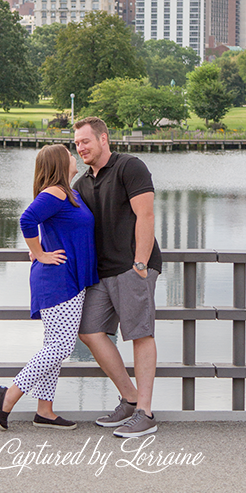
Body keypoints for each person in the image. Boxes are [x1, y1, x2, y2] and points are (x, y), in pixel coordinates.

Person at [0, 144, 98, 431]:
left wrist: (41, 244)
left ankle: (45, 411)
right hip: (58, 280)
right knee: (62, 346)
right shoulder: (55, 191)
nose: (74, 156)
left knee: (54, 346)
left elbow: (54, 225)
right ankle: (10, 396)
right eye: (69, 153)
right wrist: (39, 252)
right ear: (59, 162)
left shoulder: (69, 192)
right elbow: (27, 219)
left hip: (69, 278)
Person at [73, 116, 162, 438]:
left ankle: (145, 412)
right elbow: (70, 226)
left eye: (86, 141)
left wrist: (140, 263)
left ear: (103, 139)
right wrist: (37, 248)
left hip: (132, 267)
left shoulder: (130, 167)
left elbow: (146, 214)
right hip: (102, 272)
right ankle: (130, 398)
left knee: (139, 333)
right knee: (90, 330)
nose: (80, 147)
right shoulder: (81, 184)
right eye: (77, 143)